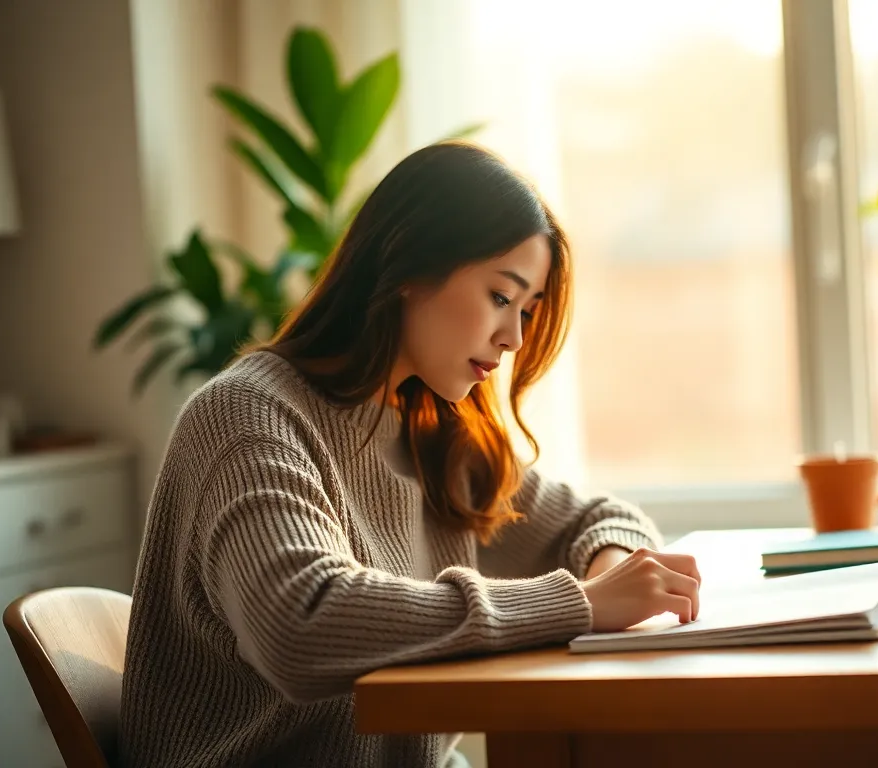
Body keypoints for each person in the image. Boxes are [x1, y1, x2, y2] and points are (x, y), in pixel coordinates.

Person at [119, 141, 702, 768]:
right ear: (409, 271)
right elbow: (300, 623)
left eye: (528, 312)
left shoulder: (430, 432)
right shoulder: (247, 414)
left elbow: (597, 517)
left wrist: (609, 572)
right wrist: (583, 604)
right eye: (501, 298)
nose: (513, 339)